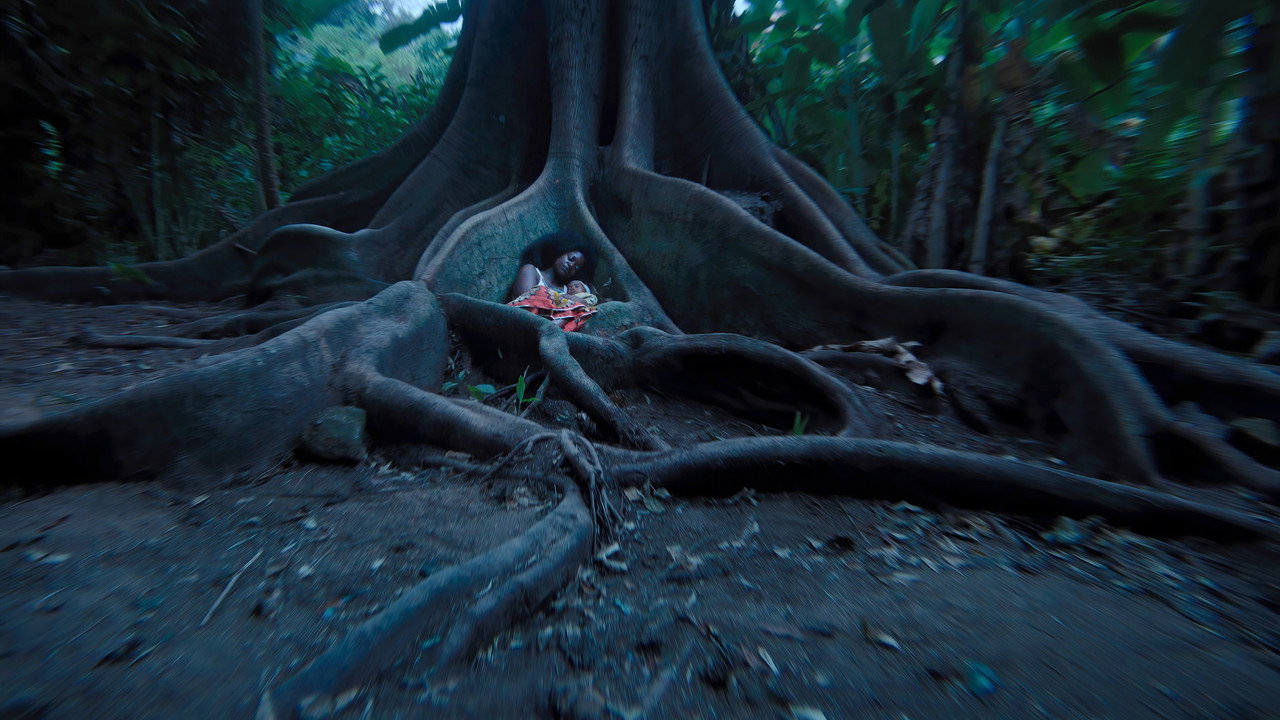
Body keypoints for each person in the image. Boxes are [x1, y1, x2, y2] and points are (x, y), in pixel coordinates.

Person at [506, 231, 600, 332]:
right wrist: (564, 301)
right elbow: (525, 304)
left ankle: (550, 330)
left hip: (556, 333)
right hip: (523, 326)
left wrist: (579, 302)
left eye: (576, 268)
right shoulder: (531, 271)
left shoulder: (569, 290)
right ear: (561, 251)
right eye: (570, 258)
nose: (571, 265)